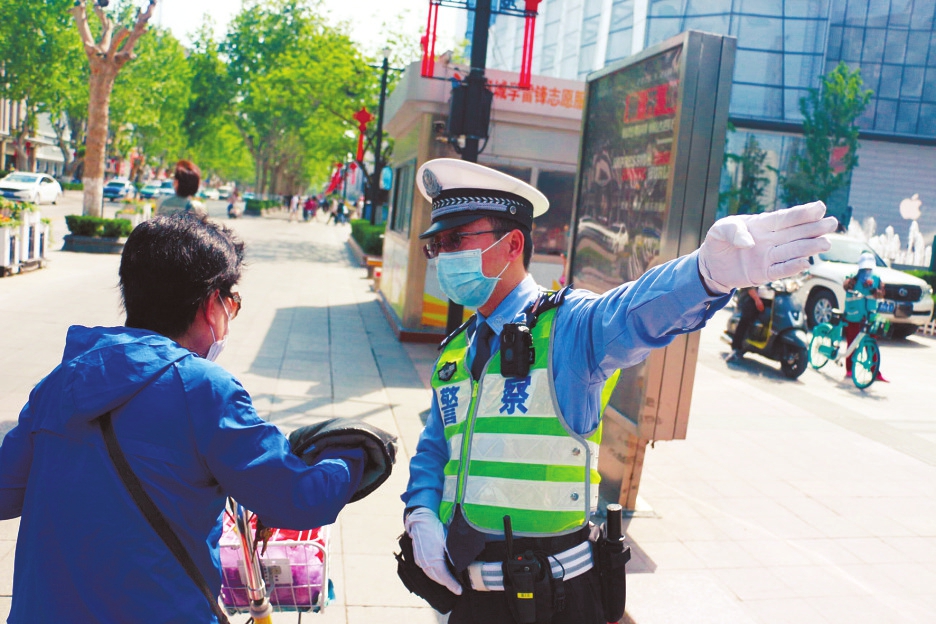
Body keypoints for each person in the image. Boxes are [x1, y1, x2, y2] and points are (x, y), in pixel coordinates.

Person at [401, 158, 836, 624]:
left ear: (512, 244)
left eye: (455, 240)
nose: (444, 255)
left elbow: (630, 313)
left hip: (551, 602)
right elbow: (434, 453)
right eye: (437, 246)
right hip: (464, 602)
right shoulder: (456, 353)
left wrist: (705, 274)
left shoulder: (567, 325)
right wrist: (420, 514)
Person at [0, 215, 370, 622]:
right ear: (212, 304)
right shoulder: (204, 390)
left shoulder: (61, 379)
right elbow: (299, 501)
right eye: (233, 302)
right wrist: (355, 454)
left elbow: (5, 491)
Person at [843, 251, 887, 381]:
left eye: (869, 268)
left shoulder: (877, 279)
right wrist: (854, 283)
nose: (866, 271)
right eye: (864, 268)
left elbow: (882, 294)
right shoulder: (852, 277)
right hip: (854, 316)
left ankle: (875, 372)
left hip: (869, 316)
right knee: (852, 342)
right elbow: (846, 286)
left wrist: (875, 291)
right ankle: (849, 370)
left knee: (871, 343)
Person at [726, 285, 766, 363]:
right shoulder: (754, 272)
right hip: (749, 298)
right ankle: (736, 348)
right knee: (746, 319)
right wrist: (757, 300)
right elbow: (750, 288)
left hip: (763, 298)